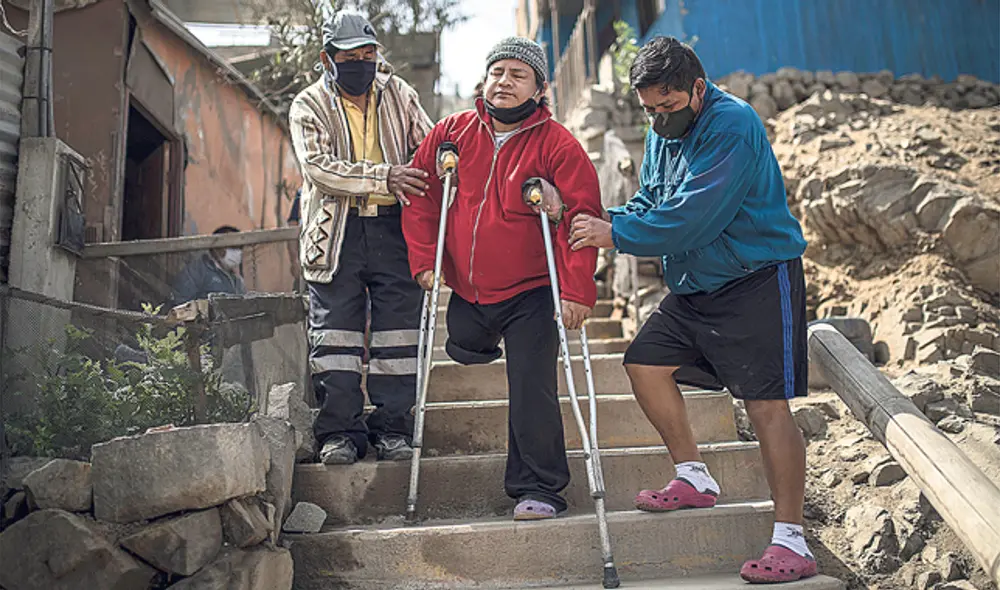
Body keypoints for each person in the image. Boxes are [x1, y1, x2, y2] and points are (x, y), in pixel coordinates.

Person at [568, 37, 815, 583]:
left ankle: (792, 540)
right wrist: (592, 218)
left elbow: (694, 216)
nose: (658, 120)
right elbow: (649, 204)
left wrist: (616, 235)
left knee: (767, 406)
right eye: (649, 110)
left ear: (697, 89)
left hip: (755, 278)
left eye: (669, 107)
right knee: (644, 362)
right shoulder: (663, 133)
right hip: (698, 284)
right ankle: (695, 476)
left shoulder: (733, 125)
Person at [402, 37, 602, 521]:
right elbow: (423, 197)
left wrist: (576, 289)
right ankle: (480, 340)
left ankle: (540, 488)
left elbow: (583, 217)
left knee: (531, 382)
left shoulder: (558, 144)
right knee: (466, 344)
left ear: (539, 88)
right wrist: (426, 260)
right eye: (498, 72)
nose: (505, 82)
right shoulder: (450, 133)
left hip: (532, 290)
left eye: (518, 75)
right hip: (468, 290)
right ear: (484, 80)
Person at [288, 10, 434, 465]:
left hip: (395, 229)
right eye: (349, 55)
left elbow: (425, 144)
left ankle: (393, 428)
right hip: (335, 234)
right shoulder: (307, 104)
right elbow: (319, 168)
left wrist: (442, 154)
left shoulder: (399, 93)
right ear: (327, 58)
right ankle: (340, 433)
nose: (360, 62)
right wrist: (384, 175)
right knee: (335, 338)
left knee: (398, 335)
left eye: (367, 53)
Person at [169, 225, 247, 306]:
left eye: (240, 248)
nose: (238, 252)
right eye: (232, 247)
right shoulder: (196, 271)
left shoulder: (236, 279)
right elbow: (180, 303)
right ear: (216, 247)